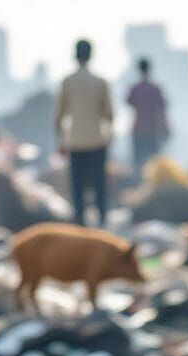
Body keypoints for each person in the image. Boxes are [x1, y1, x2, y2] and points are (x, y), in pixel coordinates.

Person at [55, 39, 113, 227]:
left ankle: (80, 223)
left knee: (77, 186)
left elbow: (59, 115)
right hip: (97, 140)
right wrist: (109, 137)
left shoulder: (68, 82)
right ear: (91, 55)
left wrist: (61, 140)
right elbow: (109, 114)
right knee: (99, 185)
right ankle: (102, 221)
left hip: (76, 140)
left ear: (75, 55)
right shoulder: (100, 82)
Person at [127, 58, 169, 176]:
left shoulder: (135, 89)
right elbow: (162, 110)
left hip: (138, 128)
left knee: (138, 161)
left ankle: (138, 181)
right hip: (153, 129)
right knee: (154, 161)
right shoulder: (155, 89)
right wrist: (165, 128)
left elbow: (129, 103)